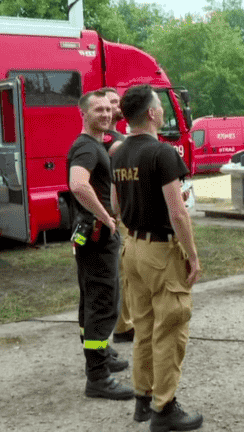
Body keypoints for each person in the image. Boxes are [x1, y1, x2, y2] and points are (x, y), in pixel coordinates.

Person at [110, 84, 204, 431]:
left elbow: (116, 206)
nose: (163, 111)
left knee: (145, 328)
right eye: (159, 107)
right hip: (161, 252)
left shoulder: (118, 153)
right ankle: (165, 409)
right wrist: (192, 256)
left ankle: (142, 399)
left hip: (132, 248)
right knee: (171, 330)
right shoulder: (162, 154)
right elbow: (178, 212)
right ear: (151, 114)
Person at [67, 89, 133, 400]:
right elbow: (78, 184)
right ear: (84, 114)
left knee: (92, 302)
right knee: (103, 304)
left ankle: (101, 357)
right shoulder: (87, 148)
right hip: (97, 237)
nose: (106, 114)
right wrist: (106, 216)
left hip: (91, 236)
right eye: (98, 110)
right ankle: (97, 377)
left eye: (109, 109)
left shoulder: (93, 144)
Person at [100, 87, 135, 345]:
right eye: (112, 102)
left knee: (124, 271)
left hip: (120, 212)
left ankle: (126, 321)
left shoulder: (118, 135)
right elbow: (123, 151)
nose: (117, 106)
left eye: (118, 101)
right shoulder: (108, 139)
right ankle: (123, 326)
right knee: (122, 271)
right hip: (113, 215)